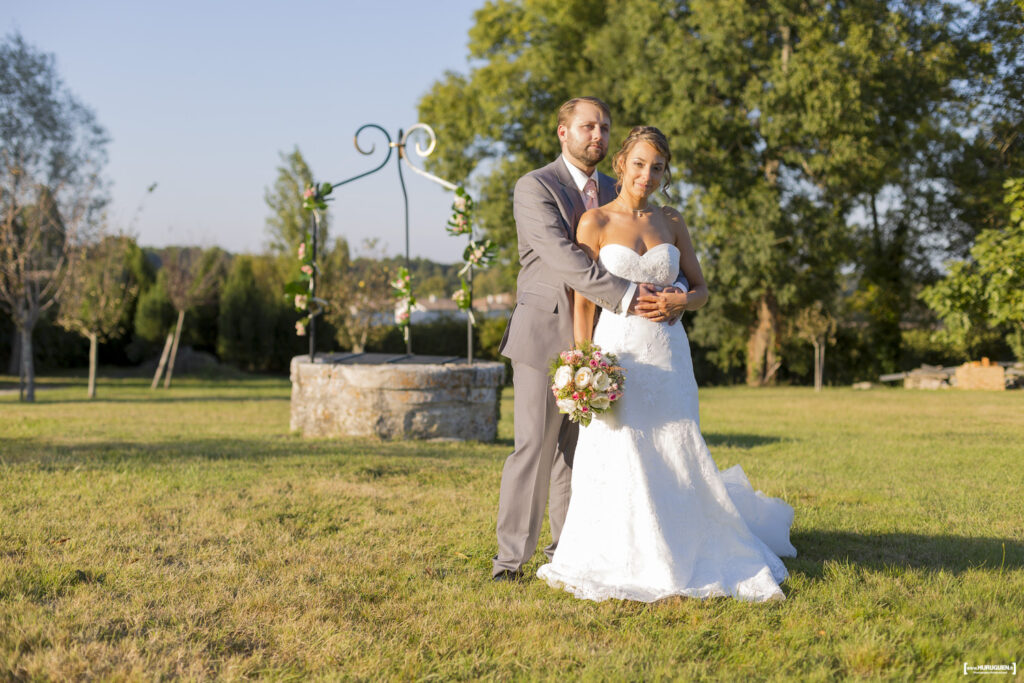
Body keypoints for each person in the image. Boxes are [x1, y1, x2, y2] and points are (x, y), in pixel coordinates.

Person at [536, 126, 797, 602]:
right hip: (616, 352)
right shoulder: (593, 222)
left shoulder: (672, 220)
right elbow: (583, 303)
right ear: (622, 164)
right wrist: (583, 362)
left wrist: (682, 301)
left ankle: (686, 546)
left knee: (676, 446)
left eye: (657, 167)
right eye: (639, 164)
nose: (647, 174)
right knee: (620, 448)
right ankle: (620, 551)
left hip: (668, 352)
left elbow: (701, 289)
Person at [493, 98, 684, 581]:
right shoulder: (535, 187)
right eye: (586, 126)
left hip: (607, 343)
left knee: (579, 455)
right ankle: (510, 561)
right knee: (534, 450)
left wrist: (672, 292)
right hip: (545, 335)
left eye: (603, 127)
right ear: (563, 132)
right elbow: (564, 258)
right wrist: (626, 294)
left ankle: (568, 549)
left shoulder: (614, 190)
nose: (596, 134)